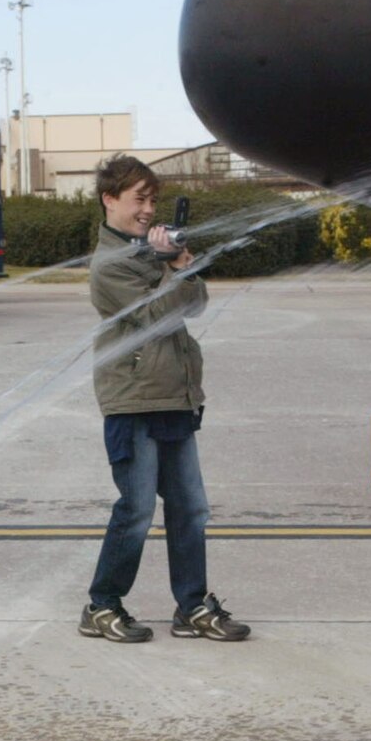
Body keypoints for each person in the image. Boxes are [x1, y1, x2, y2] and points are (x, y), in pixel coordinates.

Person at [80, 155, 250, 644]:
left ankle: (192, 605)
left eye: (153, 199)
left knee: (189, 507)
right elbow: (155, 313)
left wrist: (180, 267)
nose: (148, 209)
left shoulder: (148, 252)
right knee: (135, 508)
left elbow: (194, 305)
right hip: (132, 399)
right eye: (139, 199)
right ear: (110, 200)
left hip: (173, 395)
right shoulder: (107, 264)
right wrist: (174, 267)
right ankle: (102, 604)